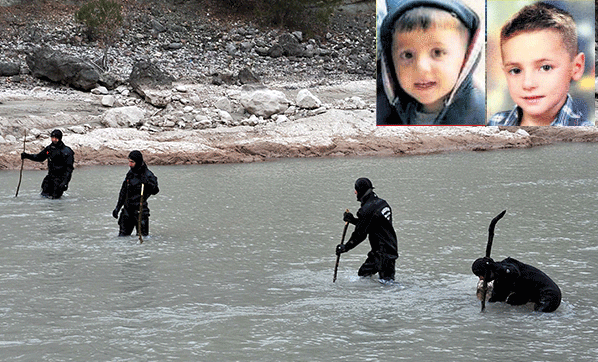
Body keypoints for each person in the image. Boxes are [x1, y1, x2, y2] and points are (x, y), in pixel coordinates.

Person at [377, 0, 485, 125]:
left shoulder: (480, 118)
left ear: (466, 57)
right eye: (407, 55)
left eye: (437, 52)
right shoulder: (384, 110)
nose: (421, 67)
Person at [487, 2, 592, 126]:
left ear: (576, 67)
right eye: (516, 70)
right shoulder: (495, 122)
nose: (527, 83)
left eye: (545, 68)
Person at [336, 178, 399, 282]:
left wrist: (344, 248)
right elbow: (372, 225)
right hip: (391, 249)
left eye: (356, 189)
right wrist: (353, 220)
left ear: (360, 191)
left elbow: (360, 235)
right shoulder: (381, 203)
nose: (354, 192)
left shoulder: (367, 210)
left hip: (381, 253)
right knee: (387, 282)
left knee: (364, 275)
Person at [471, 256, 562, 313]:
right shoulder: (499, 282)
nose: (480, 278)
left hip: (549, 296)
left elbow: (513, 272)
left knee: (538, 318)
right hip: (532, 294)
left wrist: (496, 267)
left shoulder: (508, 265)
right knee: (511, 301)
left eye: (481, 275)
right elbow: (496, 300)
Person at [112, 150, 160, 237]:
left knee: (143, 238)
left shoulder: (148, 175)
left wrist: (147, 183)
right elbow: (123, 192)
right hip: (127, 211)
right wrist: (117, 208)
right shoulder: (130, 174)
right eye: (129, 162)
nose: (130, 164)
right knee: (122, 238)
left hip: (140, 211)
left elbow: (155, 191)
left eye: (132, 162)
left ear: (138, 162)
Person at [20, 129, 74, 199]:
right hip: (50, 178)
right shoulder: (49, 149)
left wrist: (65, 183)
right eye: (52, 138)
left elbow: (69, 170)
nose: (54, 140)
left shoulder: (67, 152)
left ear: (60, 138)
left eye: (56, 138)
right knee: (43, 197)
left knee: (55, 201)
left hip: (60, 180)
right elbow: (40, 157)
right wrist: (27, 156)